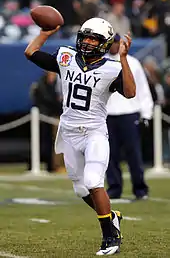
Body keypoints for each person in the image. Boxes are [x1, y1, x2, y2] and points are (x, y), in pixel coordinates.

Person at [24, 17, 136, 255]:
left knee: (94, 181)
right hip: (69, 131)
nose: (86, 42)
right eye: (84, 36)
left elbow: (130, 92)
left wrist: (124, 60)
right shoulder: (66, 57)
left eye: (93, 39)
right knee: (80, 189)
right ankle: (112, 216)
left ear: (104, 43)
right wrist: (46, 31)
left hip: (94, 132)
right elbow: (31, 52)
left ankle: (110, 236)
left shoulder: (112, 68)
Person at [106, 34, 153, 200]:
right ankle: (114, 187)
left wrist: (146, 114)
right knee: (110, 155)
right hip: (107, 114)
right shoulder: (102, 62)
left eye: (116, 43)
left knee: (134, 153)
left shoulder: (133, 63)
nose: (114, 46)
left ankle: (140, 188)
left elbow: (143, 90)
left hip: (129, 112)